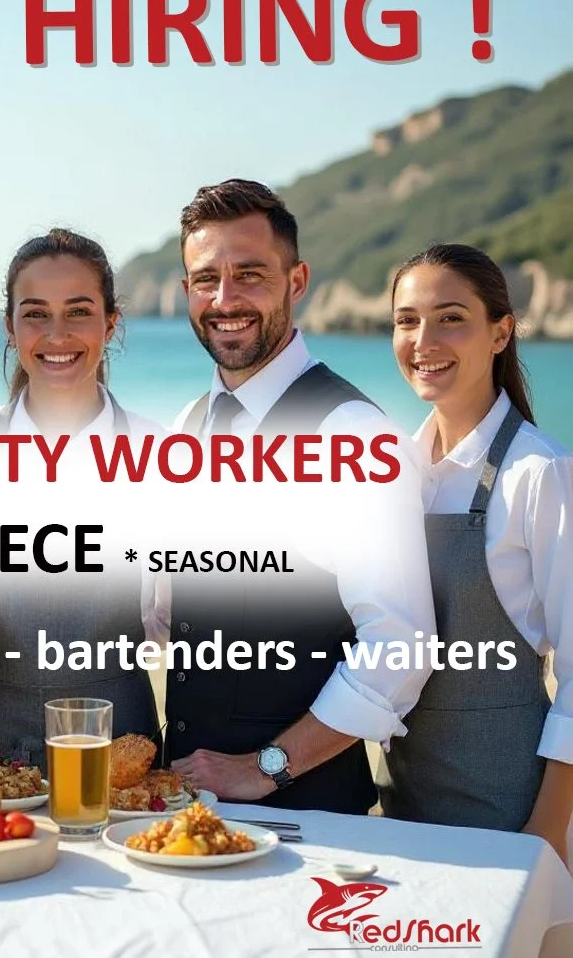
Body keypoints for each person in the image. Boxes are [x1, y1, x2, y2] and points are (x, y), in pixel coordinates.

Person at [163, 179, 435, 814]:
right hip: (188, 808)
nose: (225, 299)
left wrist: (266, 769)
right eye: (207, 279)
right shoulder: (188, 424)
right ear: (186, 293)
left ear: (297, 280)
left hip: (308, 821)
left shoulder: (353, 433)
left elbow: (400, 643)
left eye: (251, 274)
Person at [0, 229, 165, 765]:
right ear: (10, 327)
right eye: (36, 313)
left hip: (118, 736)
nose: (57, 334)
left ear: (111, 324)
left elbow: (170, 614)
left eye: (79, 312)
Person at [381, 243, 573, 861]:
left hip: (510, 812)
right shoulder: (397, 473)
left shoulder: (539, 472)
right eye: (407, 320)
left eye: (451, 318)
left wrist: (545, 836)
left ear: (500, 332)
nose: (424, 340)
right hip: (401, 806)